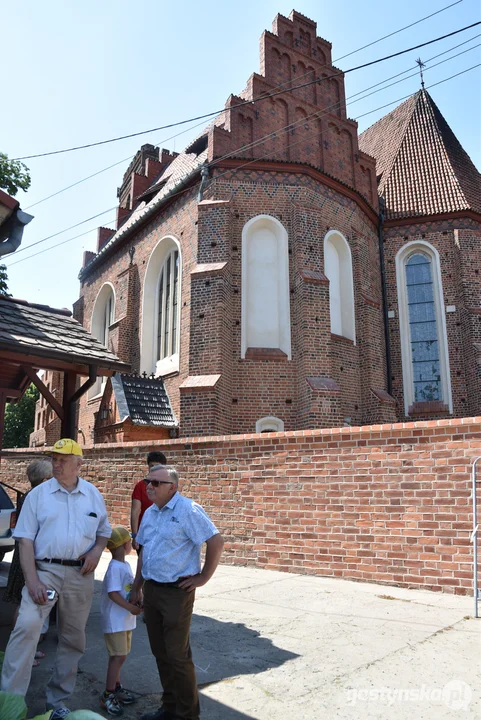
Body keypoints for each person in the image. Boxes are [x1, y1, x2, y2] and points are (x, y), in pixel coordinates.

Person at [0, 438, 111, 720]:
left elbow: (104, 531)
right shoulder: (39, 495)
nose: (57, 463)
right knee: (26, 628)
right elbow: (24, 541)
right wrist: (32, 580)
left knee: (74, 639)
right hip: (45, 572)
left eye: (63, 459)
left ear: (79, 464)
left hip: (80, 575)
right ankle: (9, 703)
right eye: (54, 458)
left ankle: (57, 703)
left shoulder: (92, 494)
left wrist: (97, 552)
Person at [130, 465, 224, 720]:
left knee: (177, 655)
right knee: (160, 652)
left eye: (156, 483)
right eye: (148, 481)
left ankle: (188, 714)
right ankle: (170, 708)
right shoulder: (150, 514)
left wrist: (203, 577)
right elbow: (144, 552)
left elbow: (215, 540)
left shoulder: (188, 510)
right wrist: (138, 585)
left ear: (173, 487)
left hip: (176, 593)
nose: (149, 486)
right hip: (152, 590)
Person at [3, 459, 53, 659]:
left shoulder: (30, 495)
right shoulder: (36, 497)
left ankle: (27, 651)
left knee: (27, 605)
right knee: (25, 606)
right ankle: (20, 653)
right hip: (28, 556)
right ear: (45, 479)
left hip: (25, 554)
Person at [100, 525, 141, 716]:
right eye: (128, 542)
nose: (131, 545)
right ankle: (108, 694)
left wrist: (137, 596)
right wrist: (131, 607)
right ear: (124, 545)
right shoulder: (114, 567)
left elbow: (127, 588)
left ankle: (116, 687)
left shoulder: (124, 565)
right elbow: (113, 594)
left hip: (124, 619)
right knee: (118, 657)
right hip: (115, 620)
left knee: (120, 655)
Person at [130, 451, 166, 552]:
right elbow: (135, 511)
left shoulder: (168, 486)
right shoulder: (141, 486)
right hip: (144, 534)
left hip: (163, 535)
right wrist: (135, 535)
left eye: (157, 466)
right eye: (151, 465)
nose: (154, 468)